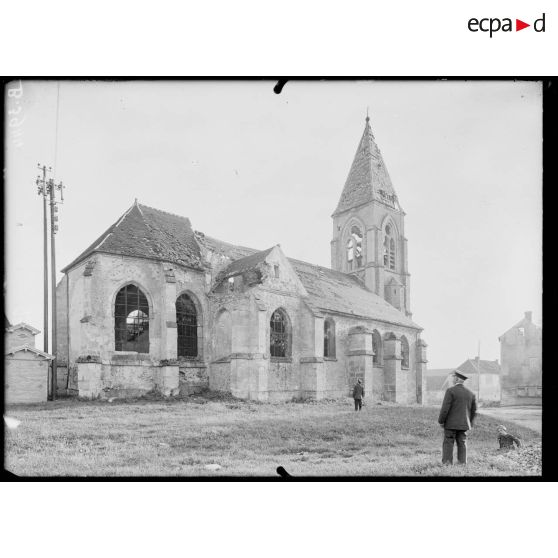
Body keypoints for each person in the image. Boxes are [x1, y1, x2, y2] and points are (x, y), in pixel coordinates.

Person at [438, 370, 477, 465]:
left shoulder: (450, 391)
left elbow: (445, 409)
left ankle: (447, 464)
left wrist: (441, 421)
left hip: (450, 424)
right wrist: (470, 424)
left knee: (448, 444)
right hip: (464, 425)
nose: (453, 379)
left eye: (454, 377)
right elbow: (473, 412)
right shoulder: (471, 394)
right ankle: (462, 463)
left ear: (457, 379)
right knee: (462, 443)